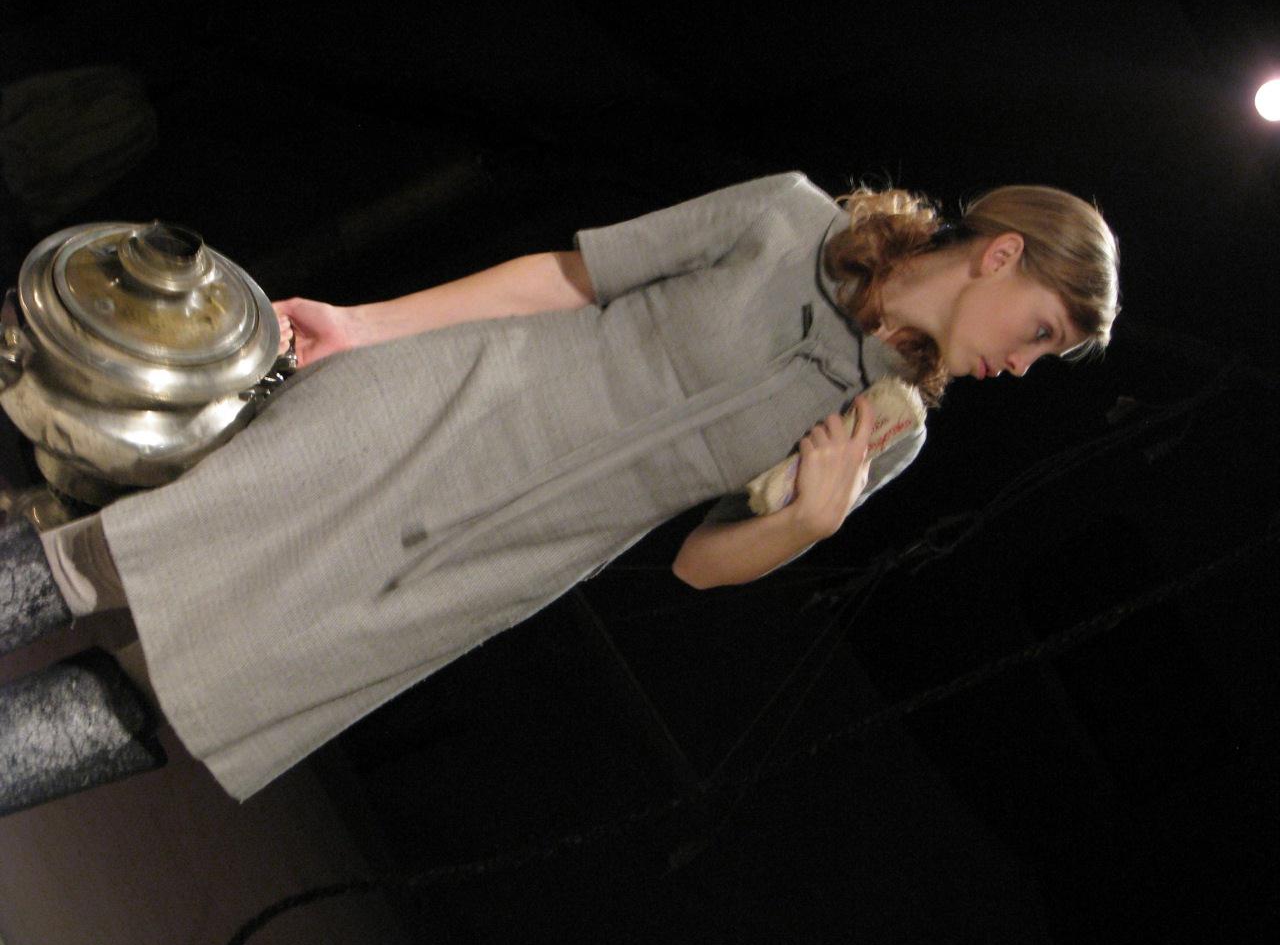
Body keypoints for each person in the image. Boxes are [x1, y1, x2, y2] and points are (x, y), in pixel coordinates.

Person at [0, 171, 1119, 815]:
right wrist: (364, 325)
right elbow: (568, 278)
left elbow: (697, 564)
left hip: (496, 561)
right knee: (127, 555)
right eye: (1038, 334)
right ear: (999, 256)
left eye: (1045, 357)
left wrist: (807, 525)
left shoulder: (887, 428)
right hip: (439, 412)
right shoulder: (787, 217)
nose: (1020, 368)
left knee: (209, 683)